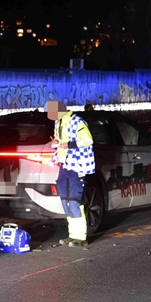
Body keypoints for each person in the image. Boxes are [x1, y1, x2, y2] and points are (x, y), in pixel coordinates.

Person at [47, 99, 94, 249]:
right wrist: (57, 141)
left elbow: (88, 140)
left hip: (76, 165)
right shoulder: (58, 122)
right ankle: (73, 235)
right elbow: (60, 140)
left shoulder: (77, 121)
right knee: (66, 200)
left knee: (74, 200)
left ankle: (81, 237)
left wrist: (68, 145)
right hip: (64, 165)